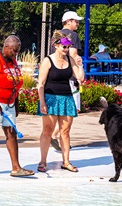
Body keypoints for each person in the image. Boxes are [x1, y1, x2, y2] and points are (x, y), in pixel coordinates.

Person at [0, 35, 34, 178]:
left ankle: (16, 168)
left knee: (11, 133)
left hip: (9, 102)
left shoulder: (13, 62)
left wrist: (16, 103)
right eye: (14, 51)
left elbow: (15, 84)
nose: (16, 54)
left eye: (17, 51)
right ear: (6, 47)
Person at [37, 30, 84, 172]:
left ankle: (66, 161)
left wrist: (80, 64)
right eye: (64, 46)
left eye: (68, 46)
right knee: (47, 131)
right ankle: (43, 161)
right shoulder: (48, 60)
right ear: (56, 45)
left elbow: (80, 78)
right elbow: (41, 84)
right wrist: (42, 102)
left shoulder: (70, 59)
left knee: (65, 131)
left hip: (67, 98)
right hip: (51, 98)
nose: (67, 49)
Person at [50, 11, 84, 150]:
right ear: (68, 21)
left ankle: (56, 135)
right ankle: (58, 136)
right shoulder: (73, 35)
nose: (77, 23)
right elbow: (74, 54)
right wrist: (79, 72)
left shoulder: (56, 34)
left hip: (57, 75)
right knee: (72, 110)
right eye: (75, 21)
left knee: (60, 110)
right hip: (70, 75)